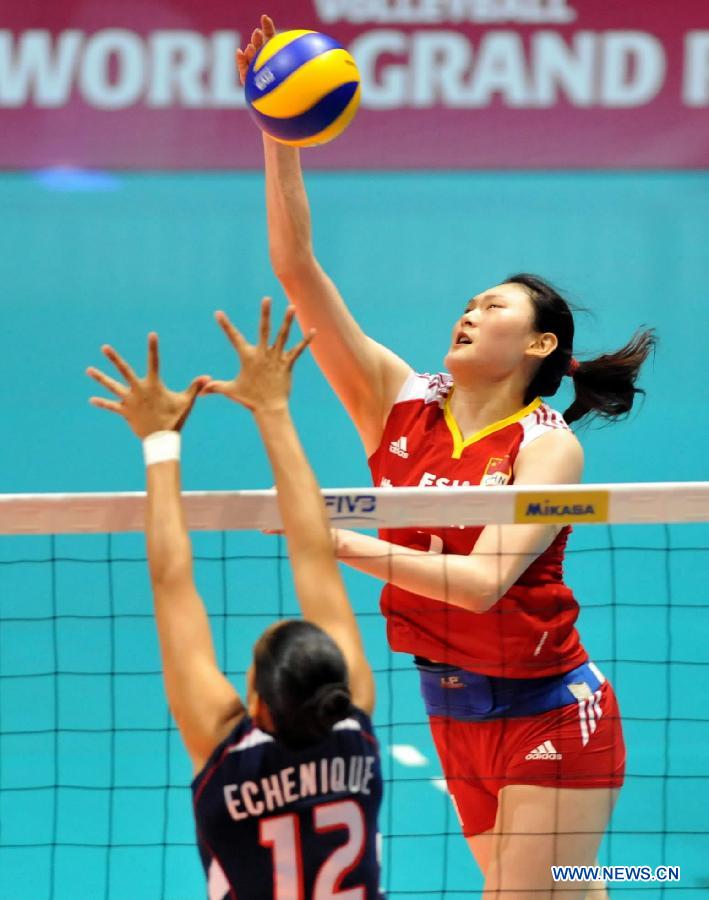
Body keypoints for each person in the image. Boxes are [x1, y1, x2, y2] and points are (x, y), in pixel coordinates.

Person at [238, 16, 656, 898]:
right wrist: (278, 138)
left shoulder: (550, 451)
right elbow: (296, 267)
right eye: (468, 301)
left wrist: (331, 539)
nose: (468, 309)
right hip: (450, 710)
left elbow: (480, 585)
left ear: (539, 343)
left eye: (493, 305)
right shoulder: (396, 400)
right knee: (573, 890)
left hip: (551, 712)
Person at [86, 299, 383, 899]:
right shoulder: (355, 737)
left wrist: (162, 440)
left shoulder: (232, 759)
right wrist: (272, 409)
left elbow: (175, 581)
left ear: (258, 702)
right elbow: (314, 552)